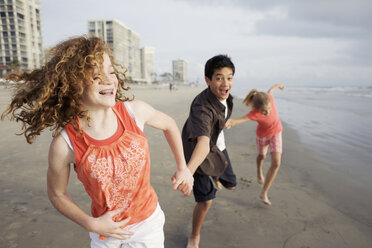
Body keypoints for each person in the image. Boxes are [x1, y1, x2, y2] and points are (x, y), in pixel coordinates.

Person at [1, 36, 193, 248]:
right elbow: (57, 193)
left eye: (110, 72)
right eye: (96, 75)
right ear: (73, 84)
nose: (109, 80)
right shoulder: (65, 144)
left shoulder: (134, 112)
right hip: (105, 234)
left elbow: (170, 125)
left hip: (147, 225)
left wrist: (183, 168)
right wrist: (91, 224)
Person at [182, 54, 237, 248]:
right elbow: (203, 143)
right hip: (199, 150)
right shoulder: (202, 107)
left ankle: (216, 177)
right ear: (208, 80)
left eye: (229, 77)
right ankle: (194, 236)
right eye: (219, 77)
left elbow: (220, 118)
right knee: (206, 201)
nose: (225, 83)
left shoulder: (227, 98)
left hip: (218, 146)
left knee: (231, 185)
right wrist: (187, 172)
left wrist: (224, 123)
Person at [225, 83, 284, 205]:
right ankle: (259, 170)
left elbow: (271, 90)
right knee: (261, 156)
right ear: (257, 109)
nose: (267, 112)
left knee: (276, 162)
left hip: (276, 132)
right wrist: (229, 122)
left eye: (269, 109)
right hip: (262, 136)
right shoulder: (254, 114)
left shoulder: (269, 98)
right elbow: (239, 120)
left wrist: (279, 85)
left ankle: (264, 192)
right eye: (264, 111)